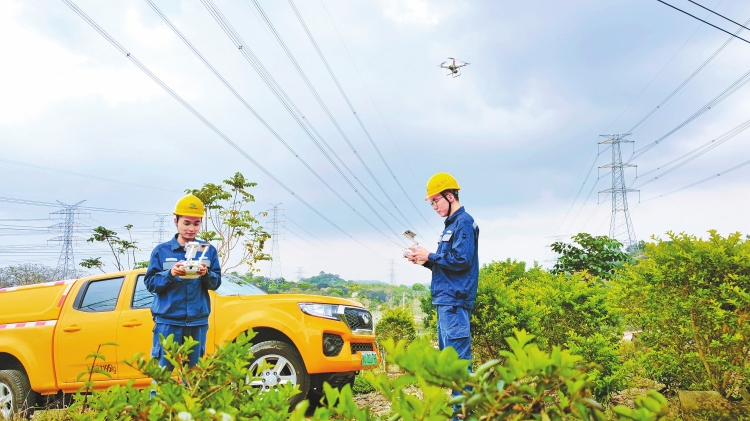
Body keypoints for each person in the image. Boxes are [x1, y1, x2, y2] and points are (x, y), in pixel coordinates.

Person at [407, 173, 479, 417]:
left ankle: (463, 415)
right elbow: (448, 265)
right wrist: (425, 260)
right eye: (431, 203)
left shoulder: (464, 223)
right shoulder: (451, 226)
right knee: (449, 365)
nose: (434, 206)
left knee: (459, 364)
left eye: (436, 200)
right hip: (446, 302)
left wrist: (432, 256)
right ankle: (458, 413)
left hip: (455, 304)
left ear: (450, 195)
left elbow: (462, 260)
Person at [145, 194, 221, 370]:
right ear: (176, 222)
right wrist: (170, 273)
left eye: (196, 223)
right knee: (163, 375)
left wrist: (206, 273)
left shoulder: (208, 251)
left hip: (197, 323)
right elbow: (150, 283)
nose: (191, 228)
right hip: (168, 322)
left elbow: (215, 283)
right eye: (186, 223)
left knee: (193, 377)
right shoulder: (161, 251)